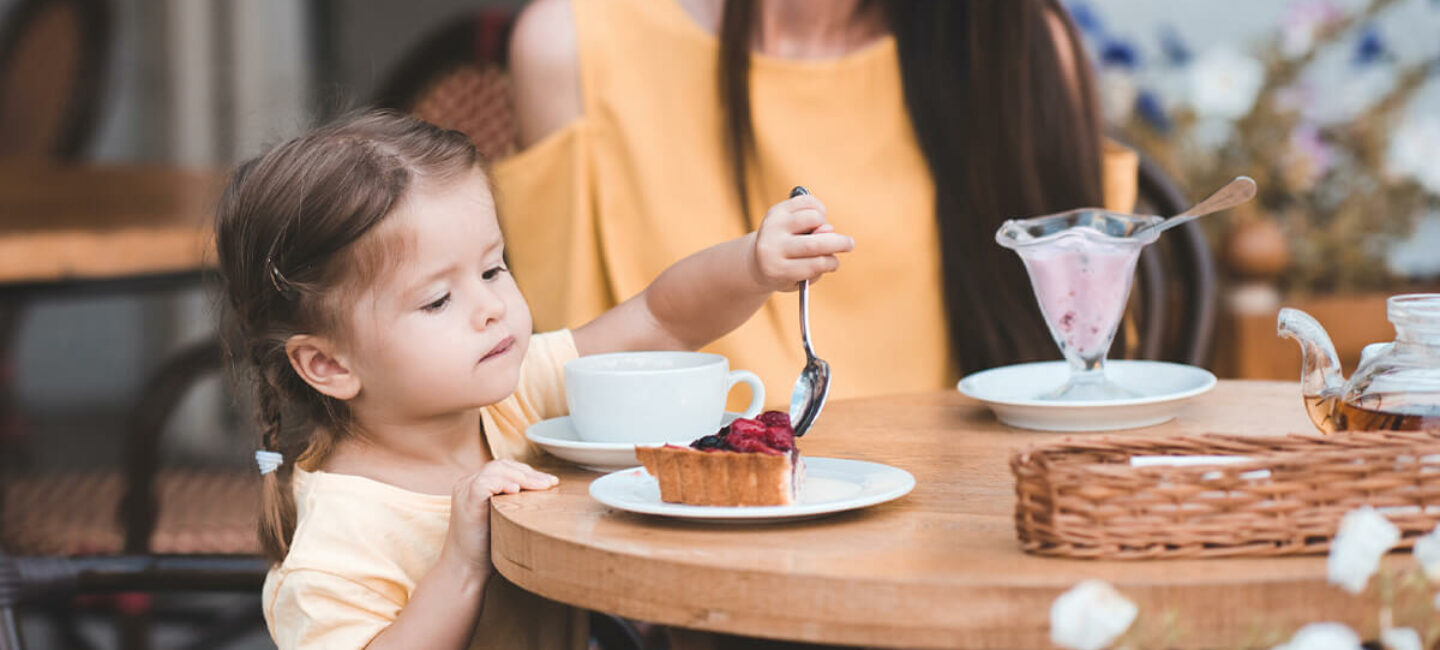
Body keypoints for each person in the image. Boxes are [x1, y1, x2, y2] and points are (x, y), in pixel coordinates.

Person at [215, 110, 852, 649]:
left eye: (493, 270)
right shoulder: (342, 535)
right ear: (329, 364)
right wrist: (460, 566)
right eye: (438, 301)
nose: (491, 307)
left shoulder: (510, 399)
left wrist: (751, 264)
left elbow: (661, 318)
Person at [500, 0, 1140, 405]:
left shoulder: (1014, 46)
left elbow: (1082, 367)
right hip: (671, 539)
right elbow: (557, 374)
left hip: (965, 536)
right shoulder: (576, 44)